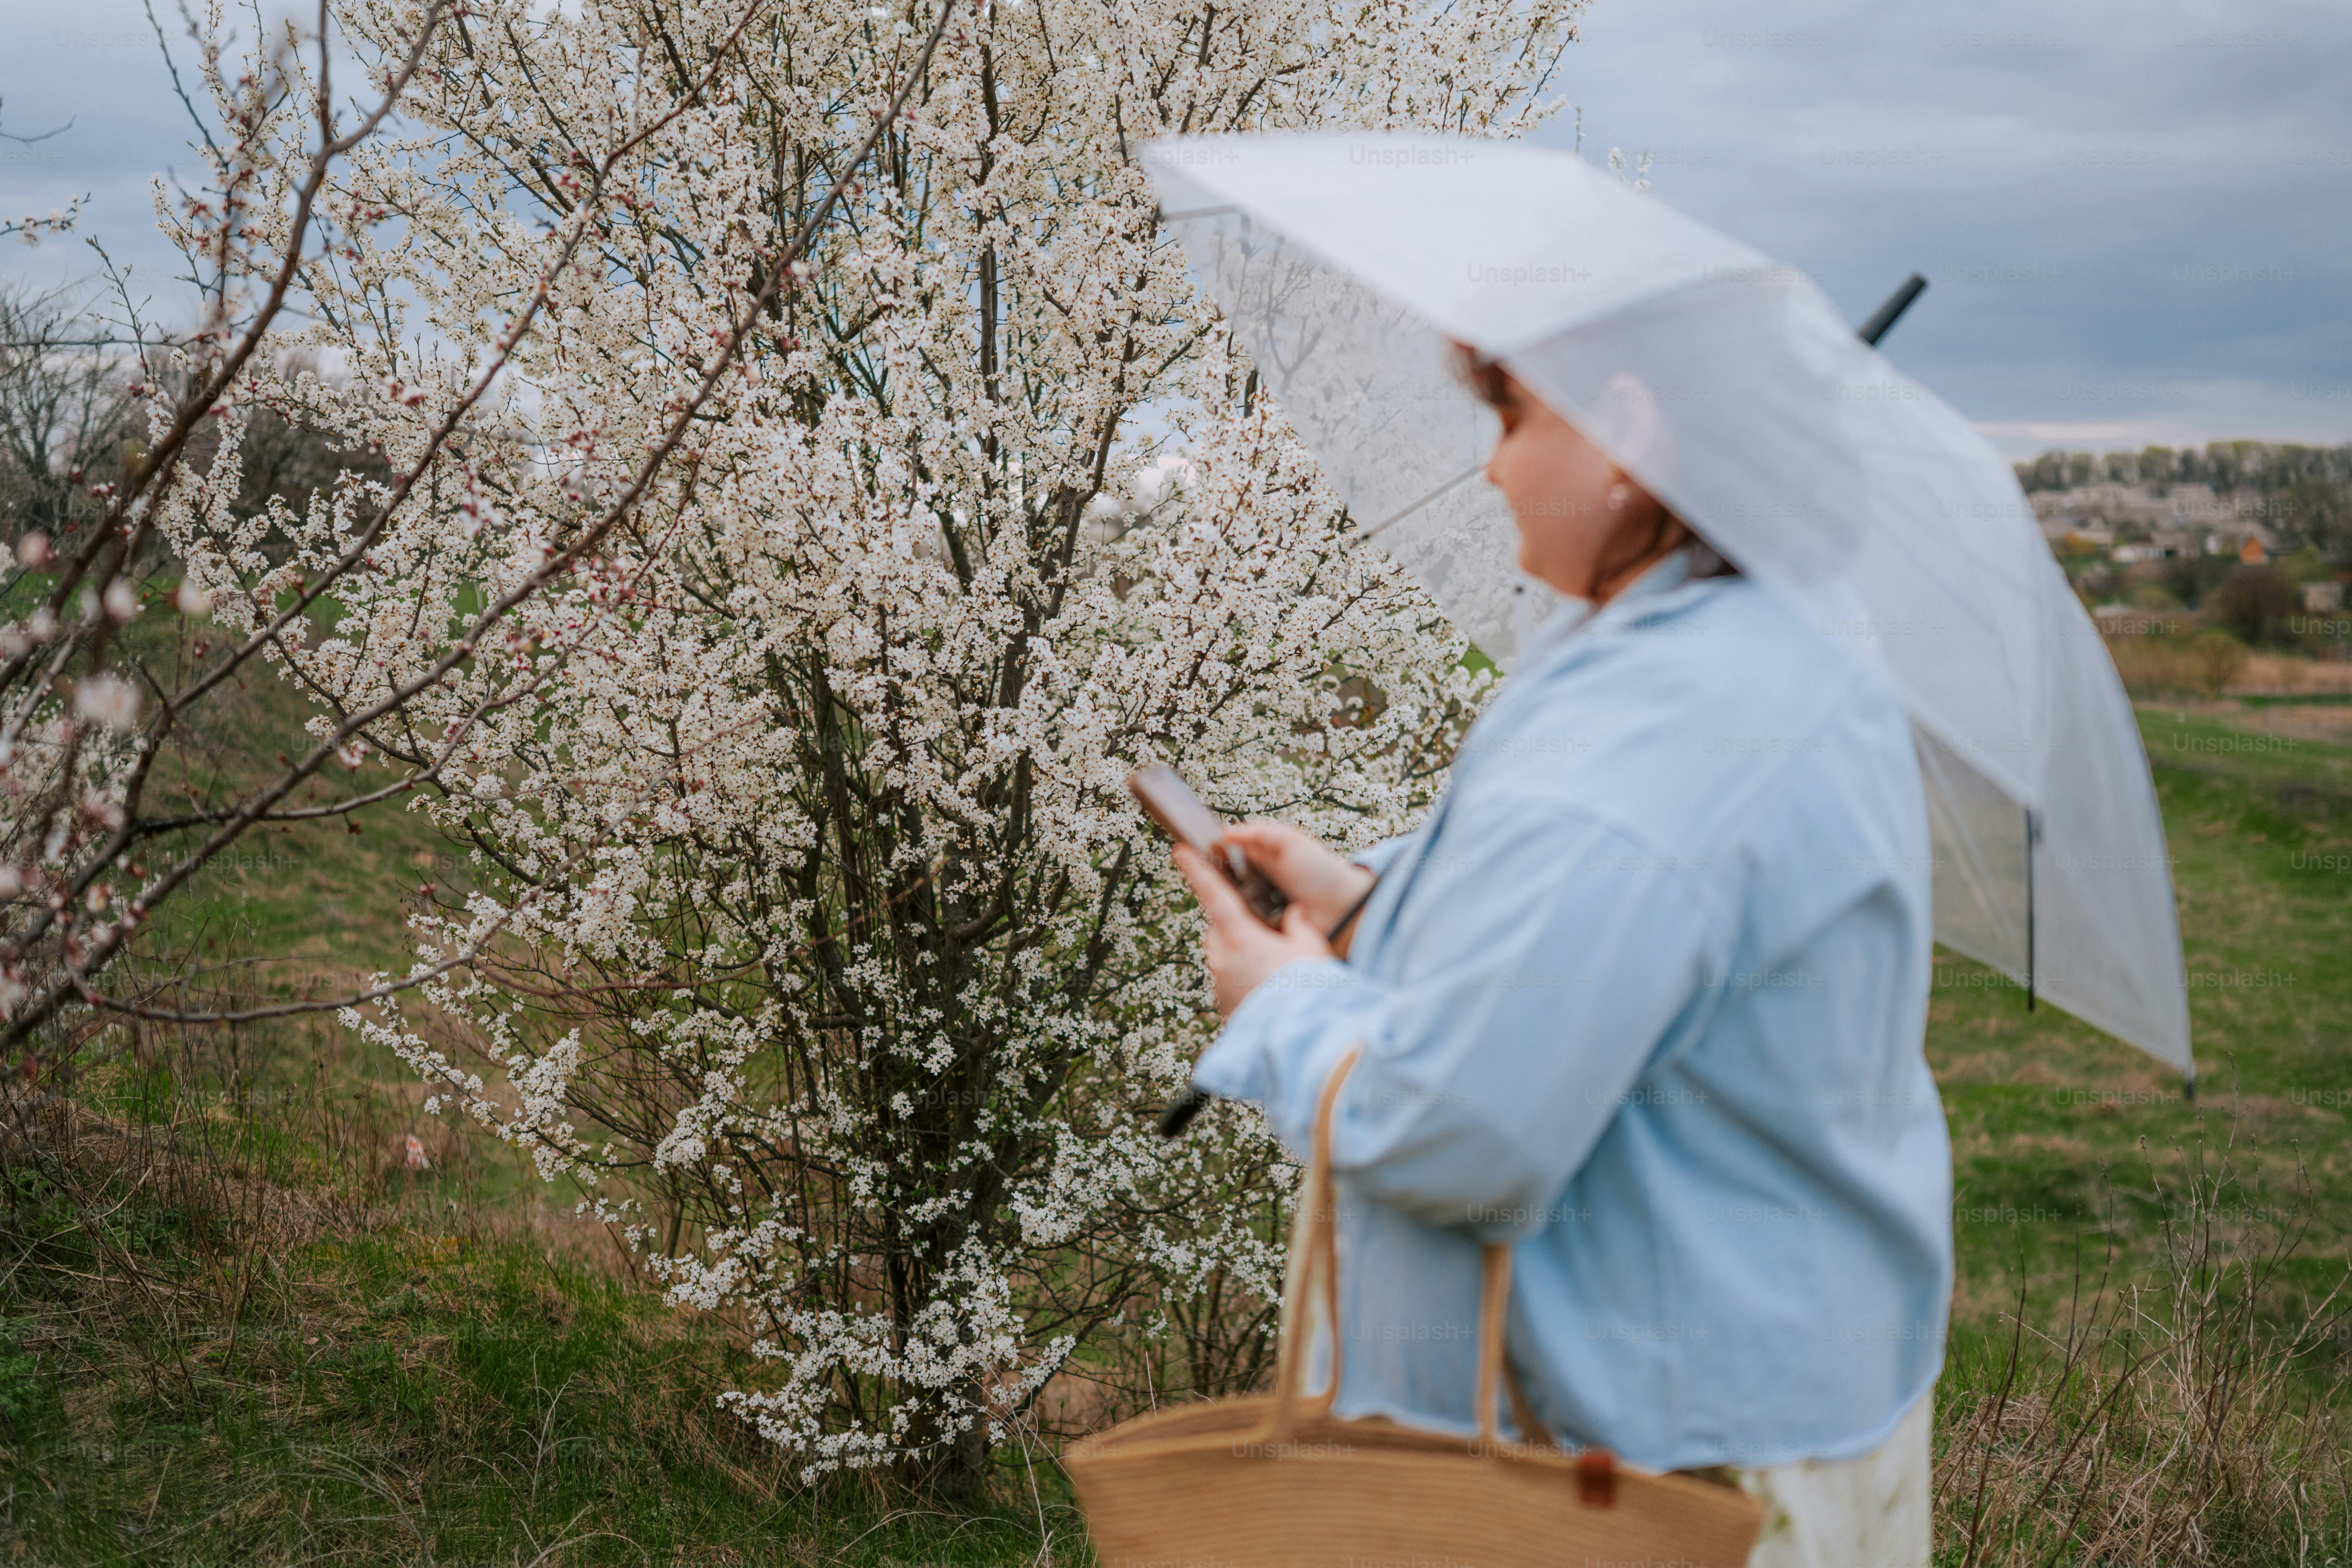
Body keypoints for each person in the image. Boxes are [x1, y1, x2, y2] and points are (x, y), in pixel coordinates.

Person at [1171, 349, 1952, 1568]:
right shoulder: (1759, 643)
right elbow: (1627, 963)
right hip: (1750, 1406)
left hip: (1661, 1477)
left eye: (1512, 416)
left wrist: (1285, 1009)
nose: (1489, 466)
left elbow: (1465, 1129)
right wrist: (1376, 911)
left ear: (1626, 440)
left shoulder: (1660, 718)